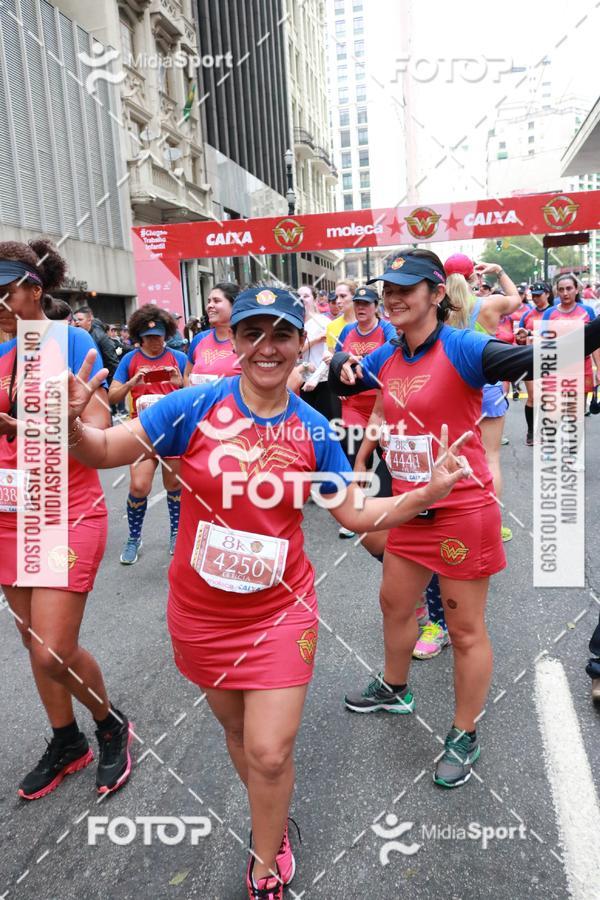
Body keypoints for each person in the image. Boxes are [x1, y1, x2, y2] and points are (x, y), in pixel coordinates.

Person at [64, 285, 470, 899]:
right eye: (252, 332)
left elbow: (355, 512)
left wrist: (424, 495)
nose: (267, 347)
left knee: (270, 751)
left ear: (299, 343)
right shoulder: (193, 406)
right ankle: (271, 819)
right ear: (234, 341)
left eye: (281, 334)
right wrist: (69, 424)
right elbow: (102, 450)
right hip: (201, 614)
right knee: (239, 737)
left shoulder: (313, 429)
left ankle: (265, 856)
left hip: (281, 612)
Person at [329, 248, 600, 789]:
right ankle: (395, 687)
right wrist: (340, 368)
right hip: (409, 508)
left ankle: (463, 731)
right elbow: (343, 379)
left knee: (464, 628)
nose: (393, 298)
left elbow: (539, 358)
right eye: (388, 290)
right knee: (394, 605)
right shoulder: (388, 354)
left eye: (406, 289)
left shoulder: (465, 347)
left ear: (436, 294)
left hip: (461, 510)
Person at [0, 239, 132, 800]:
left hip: (66, 509)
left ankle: (110, 724)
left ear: (33, 288)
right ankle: (66, 740)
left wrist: (39, 425)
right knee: (32, 639)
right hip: (9, 516)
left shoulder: (71, 342)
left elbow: (99, 438)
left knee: (53, 647)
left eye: (2, 292)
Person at [445, 254, 521, 543]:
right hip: (488, 390)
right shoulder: (489, 305)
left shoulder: (439, 309)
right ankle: (492, 525)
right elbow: (516, 299)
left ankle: (458, 521)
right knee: (491, 458)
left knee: (454, 457)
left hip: (454, 390)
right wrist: (499, 270)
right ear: (474, 277)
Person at [107, 305, 187, 564]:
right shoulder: (130, 360)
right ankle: (134, 537)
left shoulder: (179, 358)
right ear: (139, 337)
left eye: (159, 336)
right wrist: (132, 383)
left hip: (174, 431)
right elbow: (112, 396)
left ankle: (176, 533)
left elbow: (196, 396)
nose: (155, 342)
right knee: (139, 486)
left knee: (174, 486)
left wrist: (181, 384)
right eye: (149, 337)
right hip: (142, 432)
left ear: (167, 335)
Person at [542, 274, 600, 413]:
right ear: (557, 292)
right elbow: (543, 344)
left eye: (569, 288)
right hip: (557, 368)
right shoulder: (549, 313)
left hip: (582, 367)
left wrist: (599, 368)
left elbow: (595, 343)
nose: (565, 293)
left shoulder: (587, 311)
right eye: (561, 289)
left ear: (576, 290)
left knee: (576, 413)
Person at [514, 281, 553, 444]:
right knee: (533, 397)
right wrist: (520, 338)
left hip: (551, 360)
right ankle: (531, 432)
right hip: (530, 360)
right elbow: (519, 338)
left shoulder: (554, 312)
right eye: (534, 296)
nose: (536, 299)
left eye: (539, 295)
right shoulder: (527, 314)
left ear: (548, 294)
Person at [183, 283, 241, 385]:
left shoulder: (245, 341)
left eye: (216, 301)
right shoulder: (199, 339)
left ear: (234, 305)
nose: (209, 306)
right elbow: (187, 375)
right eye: (209, 301)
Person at [296, 285, 337, 420]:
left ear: (315, 300)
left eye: (306, 296)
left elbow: (330, 354)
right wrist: (315, 340)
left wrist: (315, 378)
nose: (302, 299)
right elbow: (294, 352)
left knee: (324, 422)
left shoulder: (324, 322)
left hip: (323, 381)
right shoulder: (295, 324)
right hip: (301, 381)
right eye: (299, 296)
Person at [72, 305, 119, 381]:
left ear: (89, 321)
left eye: (80, 319)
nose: (77, 322)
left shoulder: (101, 337)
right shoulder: (74, 336)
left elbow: (112, 363)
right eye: (75, 320)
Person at [325, 280, 356, 352]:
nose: (338, 301)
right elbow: (332, 354)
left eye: (342, 296)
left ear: (354, 297)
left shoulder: (367, 324)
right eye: (336, 297)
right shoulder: (331, 326)